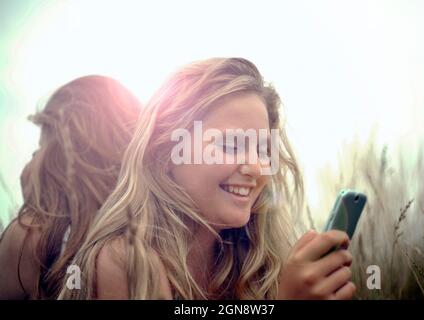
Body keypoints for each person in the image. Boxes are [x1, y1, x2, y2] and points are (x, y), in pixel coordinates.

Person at [58, 58, 355, 300]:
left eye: (263, 149)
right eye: (228, 145)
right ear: (166, 152)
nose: (256, 167)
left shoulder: (257, 262)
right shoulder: (126, 262)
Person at [0, 75, 142, 299]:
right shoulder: (156, 236)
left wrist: (34, 209)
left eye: (41, 147)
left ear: (57, 152)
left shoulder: (31, 238)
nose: (34, 159)